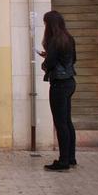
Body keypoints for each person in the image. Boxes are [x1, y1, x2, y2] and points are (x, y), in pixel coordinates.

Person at [39, 10, 77, 171]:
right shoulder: (68, 38)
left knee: (60, 123)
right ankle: (71, 157)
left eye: (46, 23)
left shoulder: (54, 41)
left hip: (59, 85)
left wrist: (45, 62)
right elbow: (72, 59)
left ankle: (63, 161)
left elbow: (50, 63)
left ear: (50, 24)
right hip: (70, 82)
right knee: (67, 122)